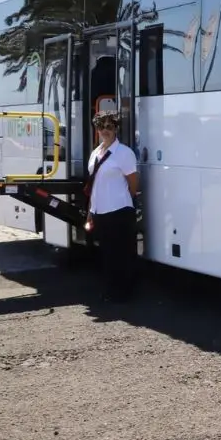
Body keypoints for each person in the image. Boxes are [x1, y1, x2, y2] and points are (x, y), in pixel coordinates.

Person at [85, 109, 140, 302]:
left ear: (116, 128)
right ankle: (111, 290)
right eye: (101, 126)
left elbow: (133, 184)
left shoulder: (124, 153)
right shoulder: (95, 153)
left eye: (109, 126)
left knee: (121, 254)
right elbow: (95, 184)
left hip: (119, 210)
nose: (105, 130)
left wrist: (122, 199)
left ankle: (124, 293)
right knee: (107, 253)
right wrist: (91, 212)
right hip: (100, 211)